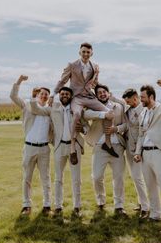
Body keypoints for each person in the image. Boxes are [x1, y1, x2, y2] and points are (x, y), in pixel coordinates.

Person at [49, 42, 118, 165]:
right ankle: (72, 148)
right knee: (76, 114)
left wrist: (97, 74)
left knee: (109, 113)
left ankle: (108, 144)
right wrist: (52, 94)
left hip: (89, 96)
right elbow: (62, 80)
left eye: (88, 52)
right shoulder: (72, 65)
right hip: (77, 98)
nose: (86, 54)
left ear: (92, 53)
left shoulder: (94, 66)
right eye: (84, 51)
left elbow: (94, 84)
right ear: (79, 52)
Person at [30, 86, 93, 217]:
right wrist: (34, 96)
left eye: (67, 94)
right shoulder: (53, 109)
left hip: (74, 147)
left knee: (76, 179)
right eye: (62, 94)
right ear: (59, 95)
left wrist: (83, 129)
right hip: (59, 148)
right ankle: (58, 206)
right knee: (58, 179)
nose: (64, 95)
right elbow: (36, 109)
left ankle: (77, 206)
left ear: (70, 96)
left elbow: (87, 127)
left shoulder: (77, 110)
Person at [134, 79, 161, 234]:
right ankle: (156, 215)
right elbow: (141, 134)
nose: (141, 100)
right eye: (140, 97)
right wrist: (138, 152)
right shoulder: (143, 113)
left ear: (151, 97)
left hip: (160, 152)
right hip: (145, 154)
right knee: (151, 186)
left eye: (143, 97)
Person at [10, 75, 53, 216]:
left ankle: (47, 205)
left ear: (48, 97)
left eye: (47, 94)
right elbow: (13, 96)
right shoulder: (27, 106)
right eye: (42, 93)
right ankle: (26, 205)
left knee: (45, 178)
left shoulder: (50, 111)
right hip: (29, 148)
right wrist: (19, 81)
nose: (44, 96)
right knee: (27, 177)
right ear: (38, 94)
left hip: (44, 149)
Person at [83, 84, 127, 216]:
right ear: (96, 95)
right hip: (100, 147)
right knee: (96, 177)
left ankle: (119, 205)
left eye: (104, 92)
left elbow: (126, 125)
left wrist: (116, 129)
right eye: (99, 92)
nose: (102, 94)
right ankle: (101, 202)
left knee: (118, 177)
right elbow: (86, 114)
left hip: (117, 147)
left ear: (109, 93)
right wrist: (103, 115)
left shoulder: (118, 107)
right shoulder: (92, 107)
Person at [108, 88, 149, 219]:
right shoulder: (128, 109)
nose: (127, 103)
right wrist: (116, 129)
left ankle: (146, 207)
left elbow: (143, 132)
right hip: (128, 148)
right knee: (135, 177)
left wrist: (139, 151)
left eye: (129, 101)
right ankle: (141, 203)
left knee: (138, 177)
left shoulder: (144, 111)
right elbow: (126, 126)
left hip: (140, 149)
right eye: (126, 101)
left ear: (136, 98)